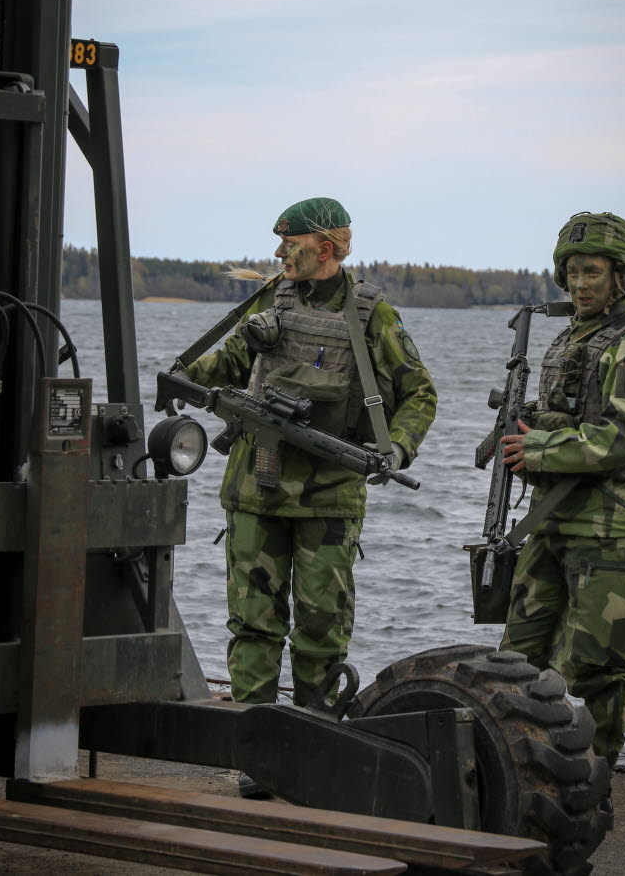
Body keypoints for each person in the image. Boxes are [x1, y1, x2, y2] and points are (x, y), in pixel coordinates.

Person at [186, 197, 437, 722]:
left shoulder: (372, 314)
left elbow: (420, 393)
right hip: (256, 490)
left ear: (325, 249)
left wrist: (396, 448)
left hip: (329, 497)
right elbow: (231, 361)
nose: (279, 254)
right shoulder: (270, 299)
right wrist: (185, 376)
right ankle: (255, 744)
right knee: (253, 625)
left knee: (323, 631)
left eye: (291, 245)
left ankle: (316, 740)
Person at [498, 211, 625, 808]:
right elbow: (574, 417)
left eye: (592, 271)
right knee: (517, 661)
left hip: (611, 530)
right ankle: (521, 782)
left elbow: (620, 439)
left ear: (621, 276)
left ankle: (587, 799)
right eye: (571, 272)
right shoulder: (571, 337)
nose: (579, 284)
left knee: (596, 672)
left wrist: (537, 446)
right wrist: (522, 426)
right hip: (553, 522)